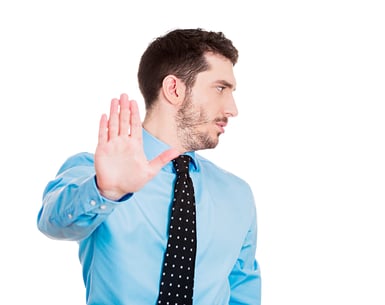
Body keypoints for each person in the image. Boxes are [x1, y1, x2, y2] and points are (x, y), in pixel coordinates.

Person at [37, 28, 261, 305]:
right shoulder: (96, 172)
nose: (232, 108)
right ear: (174, 89)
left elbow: (242, 290)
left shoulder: (237, 194)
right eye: (220, 88)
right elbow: (54, 223)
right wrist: (106, 191)